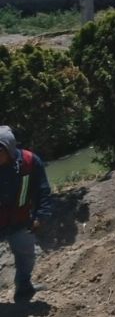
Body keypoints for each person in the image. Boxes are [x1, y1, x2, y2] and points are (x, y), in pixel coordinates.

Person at [0, 126, 52, 303]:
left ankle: (23, 286)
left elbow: (43, 190)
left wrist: (41, 215)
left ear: (9, 147)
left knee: (26, 255)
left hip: (20, 219)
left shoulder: (30, 161)